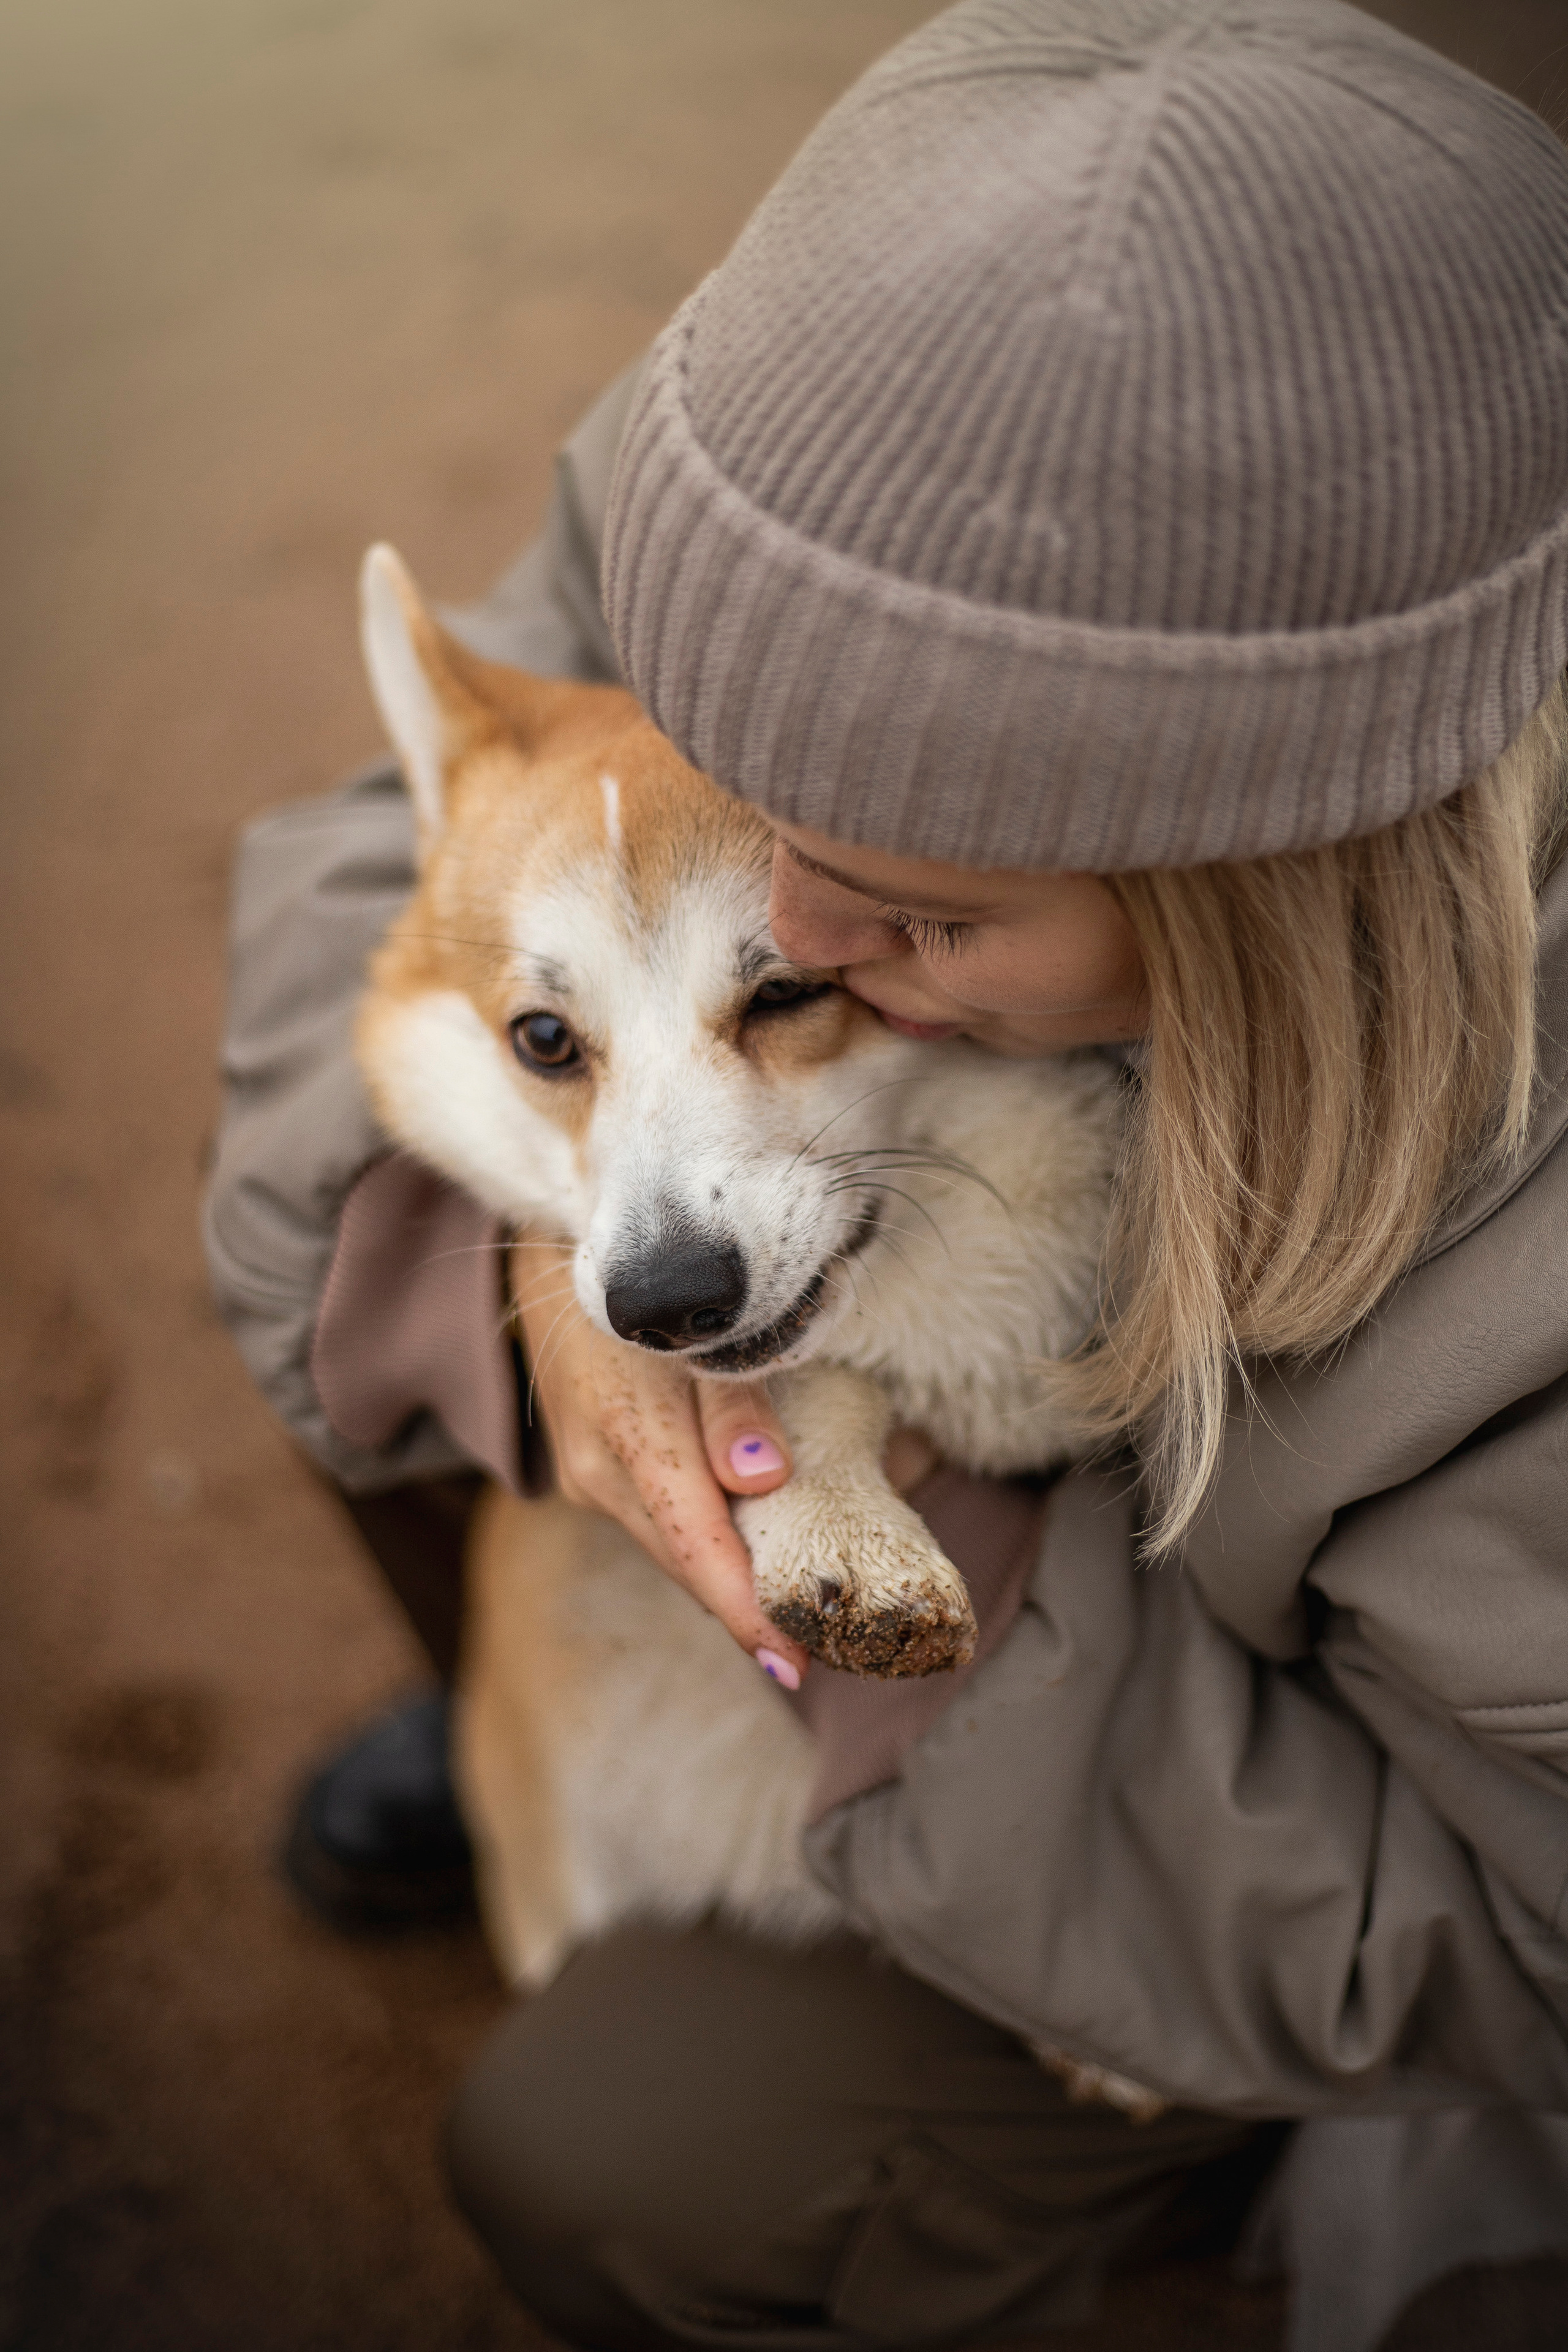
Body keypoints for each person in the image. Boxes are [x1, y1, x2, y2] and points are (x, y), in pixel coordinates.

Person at [204, 2, 1568, 2344]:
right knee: (389, 1270)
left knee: (614, 2154)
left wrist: (884, 1602)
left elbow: (1505, 1946)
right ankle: (532, 1692)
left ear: (1254, 874)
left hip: (1232, 1822)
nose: (797, 918)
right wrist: (523, 1319)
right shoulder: (842, 430)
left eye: (910, 910)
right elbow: (412, 822)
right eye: (755, 771)